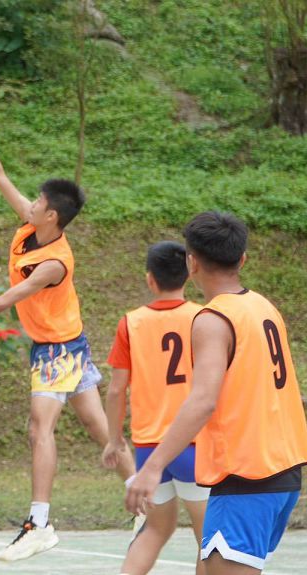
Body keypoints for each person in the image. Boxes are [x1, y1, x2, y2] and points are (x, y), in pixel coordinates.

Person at [0, 90, 135, 563]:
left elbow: (3, 302)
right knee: (100, 428)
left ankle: (40, 523)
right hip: (67, 342)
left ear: (53, 216)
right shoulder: (32, 226)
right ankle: (146, 497)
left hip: (57, 350)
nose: (31, 203)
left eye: (40, 201)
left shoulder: (53, 262)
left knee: (38, 428)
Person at [125, 211, 307, 575]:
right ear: (242, 259)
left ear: (192, 263)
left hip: (247, 476)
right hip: (283, 470)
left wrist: (153, 466)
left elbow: (203, 401)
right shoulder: (263, 307)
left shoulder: (213, 319)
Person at [102, 241, 208, 575]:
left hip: (149, 449)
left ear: (150, 279)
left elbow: (116, 389)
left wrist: (114, 439)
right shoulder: (203, 318)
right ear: (189, 274)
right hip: (193, 443)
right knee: (208, 539)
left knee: (156, 529)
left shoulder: (131, 323)